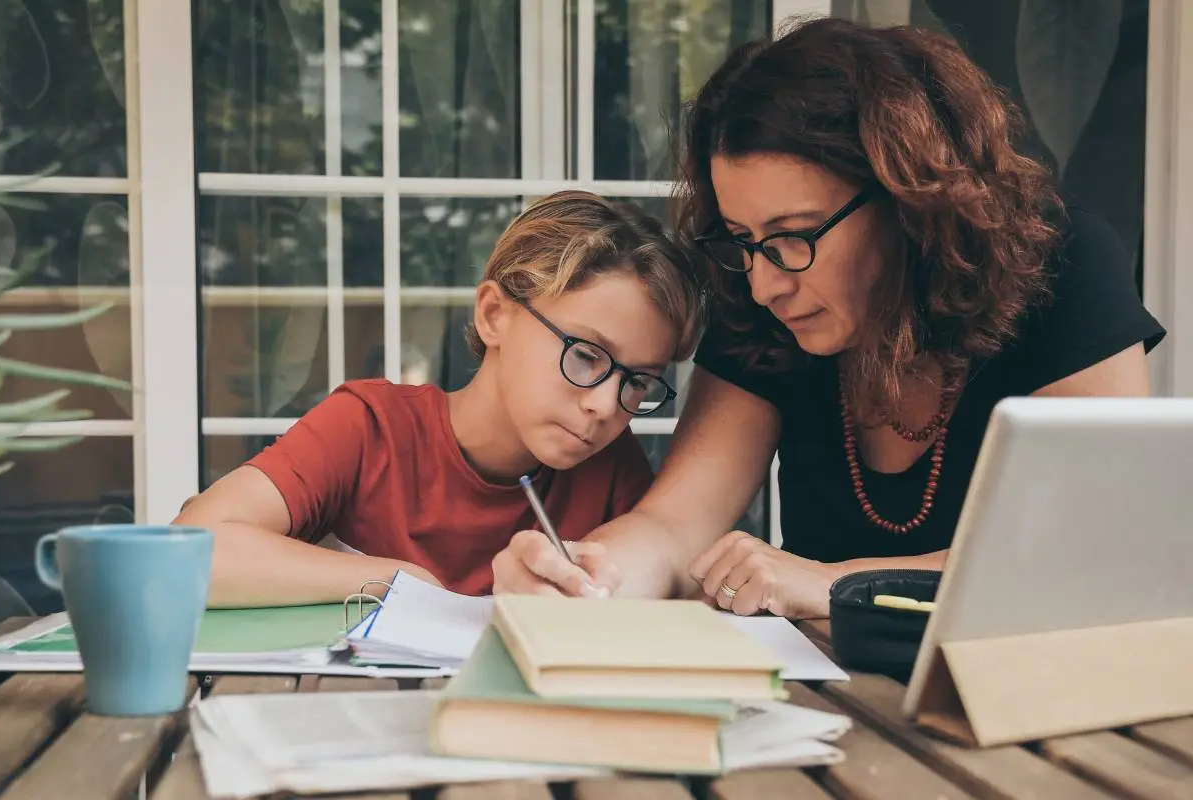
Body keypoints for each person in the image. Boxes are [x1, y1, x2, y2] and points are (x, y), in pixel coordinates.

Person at [490, 17, 1166, 618]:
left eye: (793, 236)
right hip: (834, 707)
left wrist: (835, 582)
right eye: (743, 240)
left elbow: (1090, 549)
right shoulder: (764, 308)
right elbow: (672, 527)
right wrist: (588, 574)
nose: (763, 283)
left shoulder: (1065, 269)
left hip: (1029, 705)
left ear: (909, 199)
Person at [176, 191, 703, 607]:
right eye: (586, 355)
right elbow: (189, 551)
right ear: (494, 314)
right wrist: (395, 578)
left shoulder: (611, 467)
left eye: (637, 381)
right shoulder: (369, 428)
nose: (607, 406)